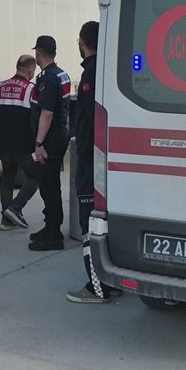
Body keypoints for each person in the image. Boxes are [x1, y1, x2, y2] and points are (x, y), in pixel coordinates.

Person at [65, 21, 120, 303]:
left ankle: (97, 287)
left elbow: (86, 122)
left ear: (82, 42)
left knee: (89, 226)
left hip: (91, 163)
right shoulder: (109, 69)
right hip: (108, 160)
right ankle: (112, 278)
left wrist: (83, 157)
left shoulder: (90, 73)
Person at [0, 55, 41, 231]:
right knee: (36, 176)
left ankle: (6, 221)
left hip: (3, 144)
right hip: (22, 145)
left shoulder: (0, 87)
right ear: (31, 71)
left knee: (7, 179)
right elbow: (36, 117)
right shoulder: (31, 88)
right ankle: (15, 208)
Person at [27, 35, 72, 251]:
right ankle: (50, 227)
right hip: (58, 136)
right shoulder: (60, 74)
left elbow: (46, 113)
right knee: (50, 185)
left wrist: (38, 143)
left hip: (49, 140)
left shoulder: (48, 78)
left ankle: (53, 235)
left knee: (49, 187)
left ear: (38, 53)